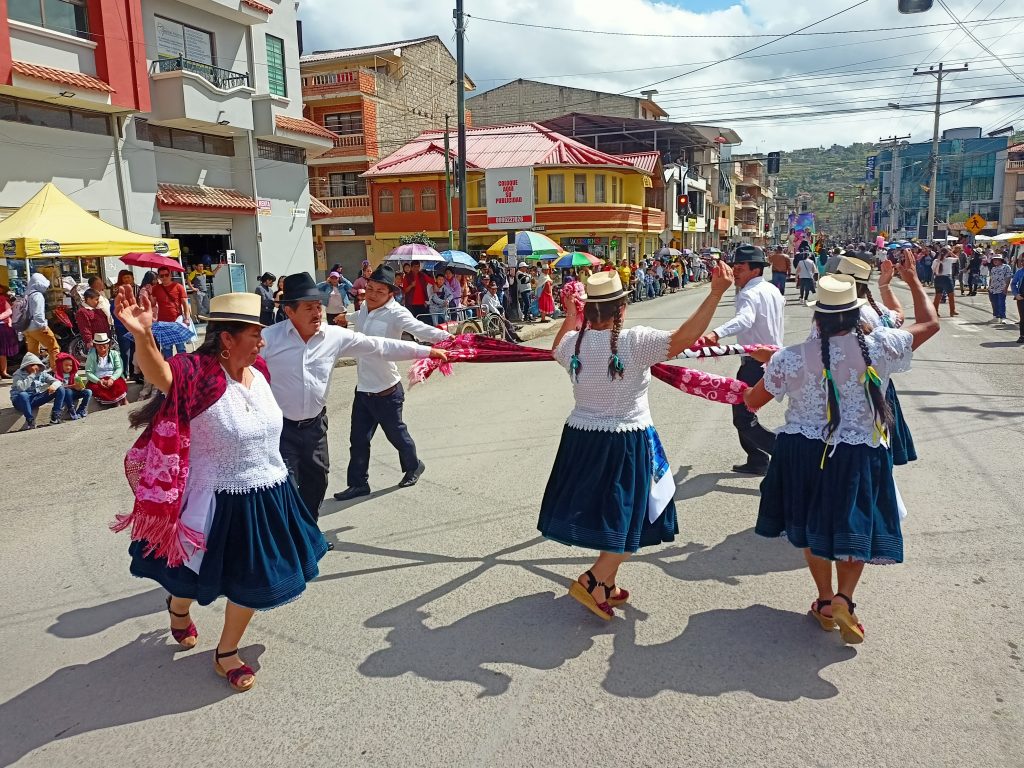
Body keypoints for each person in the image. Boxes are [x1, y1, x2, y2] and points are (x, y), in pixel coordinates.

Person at [114, 289, 329, 693]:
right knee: (188, 579)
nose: (262, 342)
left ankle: (226, 651)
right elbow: (159, 374)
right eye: (255, 334)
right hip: (214, 499)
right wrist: (143, 336)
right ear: (227, 338)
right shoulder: (197, 373)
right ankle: (178, 609)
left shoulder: (259, 370)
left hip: (268, 493)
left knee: (254, 577)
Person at [744, 260, 939, 645]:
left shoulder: (791, 357)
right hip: (859, 450)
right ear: (855, 314)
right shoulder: (883, 346)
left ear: (816, 316)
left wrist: (770, 363)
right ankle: (844, 599)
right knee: (853, 524)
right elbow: (930, 324)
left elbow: (753, 401)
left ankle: (824, 599)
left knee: (811, 525)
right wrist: (914, 280)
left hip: (802, 452)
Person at [539, 266, 734, 620]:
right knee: (638, 516)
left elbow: (556, 348)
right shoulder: (635, 342)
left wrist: (570, 315)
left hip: (581, 439)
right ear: (621, 310)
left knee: (612, 513)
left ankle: (607, 583)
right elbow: (684, 338)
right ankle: (593, 579)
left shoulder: (572, 344)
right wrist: (716, 294)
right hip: (625, 441)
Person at [261, 273, 446, 519]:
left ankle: (309, 532)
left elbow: (380, 345)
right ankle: (300, 531)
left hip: (333, 418)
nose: (317, 313)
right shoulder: (267, 340)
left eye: (318, 306)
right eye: (309, 308)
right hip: (285, 427)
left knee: (318, 481)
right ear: (289, 311)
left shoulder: (336, 336)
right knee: (287, 485)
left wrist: (429, 349)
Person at [333, 265, 452, 501]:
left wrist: (449, 338)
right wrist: (344, 317)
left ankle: (414, 466)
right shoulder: (365, 307)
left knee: (396, 435)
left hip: (386, 390)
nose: (372, 294)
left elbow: (420, 329)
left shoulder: (397, 313)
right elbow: (358, 317)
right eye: (370, 288)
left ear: (391, 293)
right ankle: (358, 483)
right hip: (363, 388)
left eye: (380, 291)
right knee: (358, 440)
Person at [699, 245, 784, 476]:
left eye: (740, 268)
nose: (735, 272)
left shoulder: (749, 293)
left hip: (756, 364)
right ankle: (757, 459)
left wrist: (716, 333)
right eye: (734, 267)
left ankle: (783, 453)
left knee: (743, 418)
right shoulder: (772, 290)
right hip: (772, 360)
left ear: (755, 270)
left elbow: (745, 320)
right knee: (743, 414)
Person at [10, 352, 63, 429]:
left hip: (35, 398)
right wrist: (32, 375)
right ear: (26, 366)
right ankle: (30, 421)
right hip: (20, 401)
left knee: (60, 389)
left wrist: (53, 386)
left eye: (37, 365)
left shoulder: (41, 373)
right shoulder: (18, 374)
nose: (35, 367)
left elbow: (57, 381)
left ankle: (55, 416)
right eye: (32, 365)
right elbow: (21, 388)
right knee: (23, 395)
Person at [151, 268, 191, 358]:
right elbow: (152, 304)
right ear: (158, 277)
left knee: (181, 348)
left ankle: (182, 366)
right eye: (161, 276)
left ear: (170, 275)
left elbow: (185, 304)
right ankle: (169, 366)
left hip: (177, 321)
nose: (164, 277)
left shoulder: (178, 286)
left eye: (166, 275)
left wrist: (187, 318)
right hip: (162, 323)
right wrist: (149, 294)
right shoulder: (155, 288)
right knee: (167, 349)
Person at [24, 273, 60, 369]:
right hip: (37, 327)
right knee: (54, 348)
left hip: (27, 328)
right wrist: (43, 326)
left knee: (32, 353)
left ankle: (32, 373)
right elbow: (38, 314)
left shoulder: (26, 294)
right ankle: (57, 371)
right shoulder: (37, 295)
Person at [84, 332, 128, 406]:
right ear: (95, 346)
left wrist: (112, 379)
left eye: (104, 344)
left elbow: (119, 368)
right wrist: (98, 381)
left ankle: (123, 401)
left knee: (118, 385)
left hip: (113, 377)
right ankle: (115, 403)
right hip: (98, 379)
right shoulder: (91, 356)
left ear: (108, 345)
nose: (101, 346)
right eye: (99, 344)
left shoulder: (114, 354)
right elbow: (88, 372)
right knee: (97, 388)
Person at [52, 351, 92, 420]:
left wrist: (80, 387)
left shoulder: (74, 374)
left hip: (74, 393)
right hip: (65, 395)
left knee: (88, 392)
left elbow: (80, 385)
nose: (68, 367)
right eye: (66, 365)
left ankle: (81, 410)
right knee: (68, 391)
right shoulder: (58, 375)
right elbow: (59, 387)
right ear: (61, 365)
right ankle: (71, 409)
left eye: (70, 365)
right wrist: (72, 386)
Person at [987, 253, 1013, 325]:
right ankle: (996, 317)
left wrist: (1006, 288)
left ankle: (1003, 318)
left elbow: (1008, 278)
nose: (995, 261)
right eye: (994, 260)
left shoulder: (1006, 267)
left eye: (997, 259)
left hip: (1001, 288)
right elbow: (991, 278)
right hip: (993, 289)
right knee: (994, 303)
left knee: (1001, 303)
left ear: (1001, 260)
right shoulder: (993, 268)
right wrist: (989, 287)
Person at [932, 248, 958, 317]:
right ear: (947, 253)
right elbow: (957, 258)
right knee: (951, 295)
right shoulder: (949, 260)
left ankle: (935, 311)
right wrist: (951, 252)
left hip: (937, 279)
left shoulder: (935, 261)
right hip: (946, 279)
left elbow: (933, 270)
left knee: (938, 295)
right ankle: (952, 310)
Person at [0, 284, 17, 379]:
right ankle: (3, 372)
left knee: (2, 351)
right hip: (3, 326)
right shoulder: (4, 299)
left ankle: (3, 372)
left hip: (2, 326)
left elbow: (8, 311)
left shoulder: (3, 299)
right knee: (2, 351)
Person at [1012, 256, 1024, 344]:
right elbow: (1013, 284)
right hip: (1021, 297)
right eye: (1022, 261)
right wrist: (1016, 294)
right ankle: (1022, 336)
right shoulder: (1019, 272)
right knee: (1023, 318)